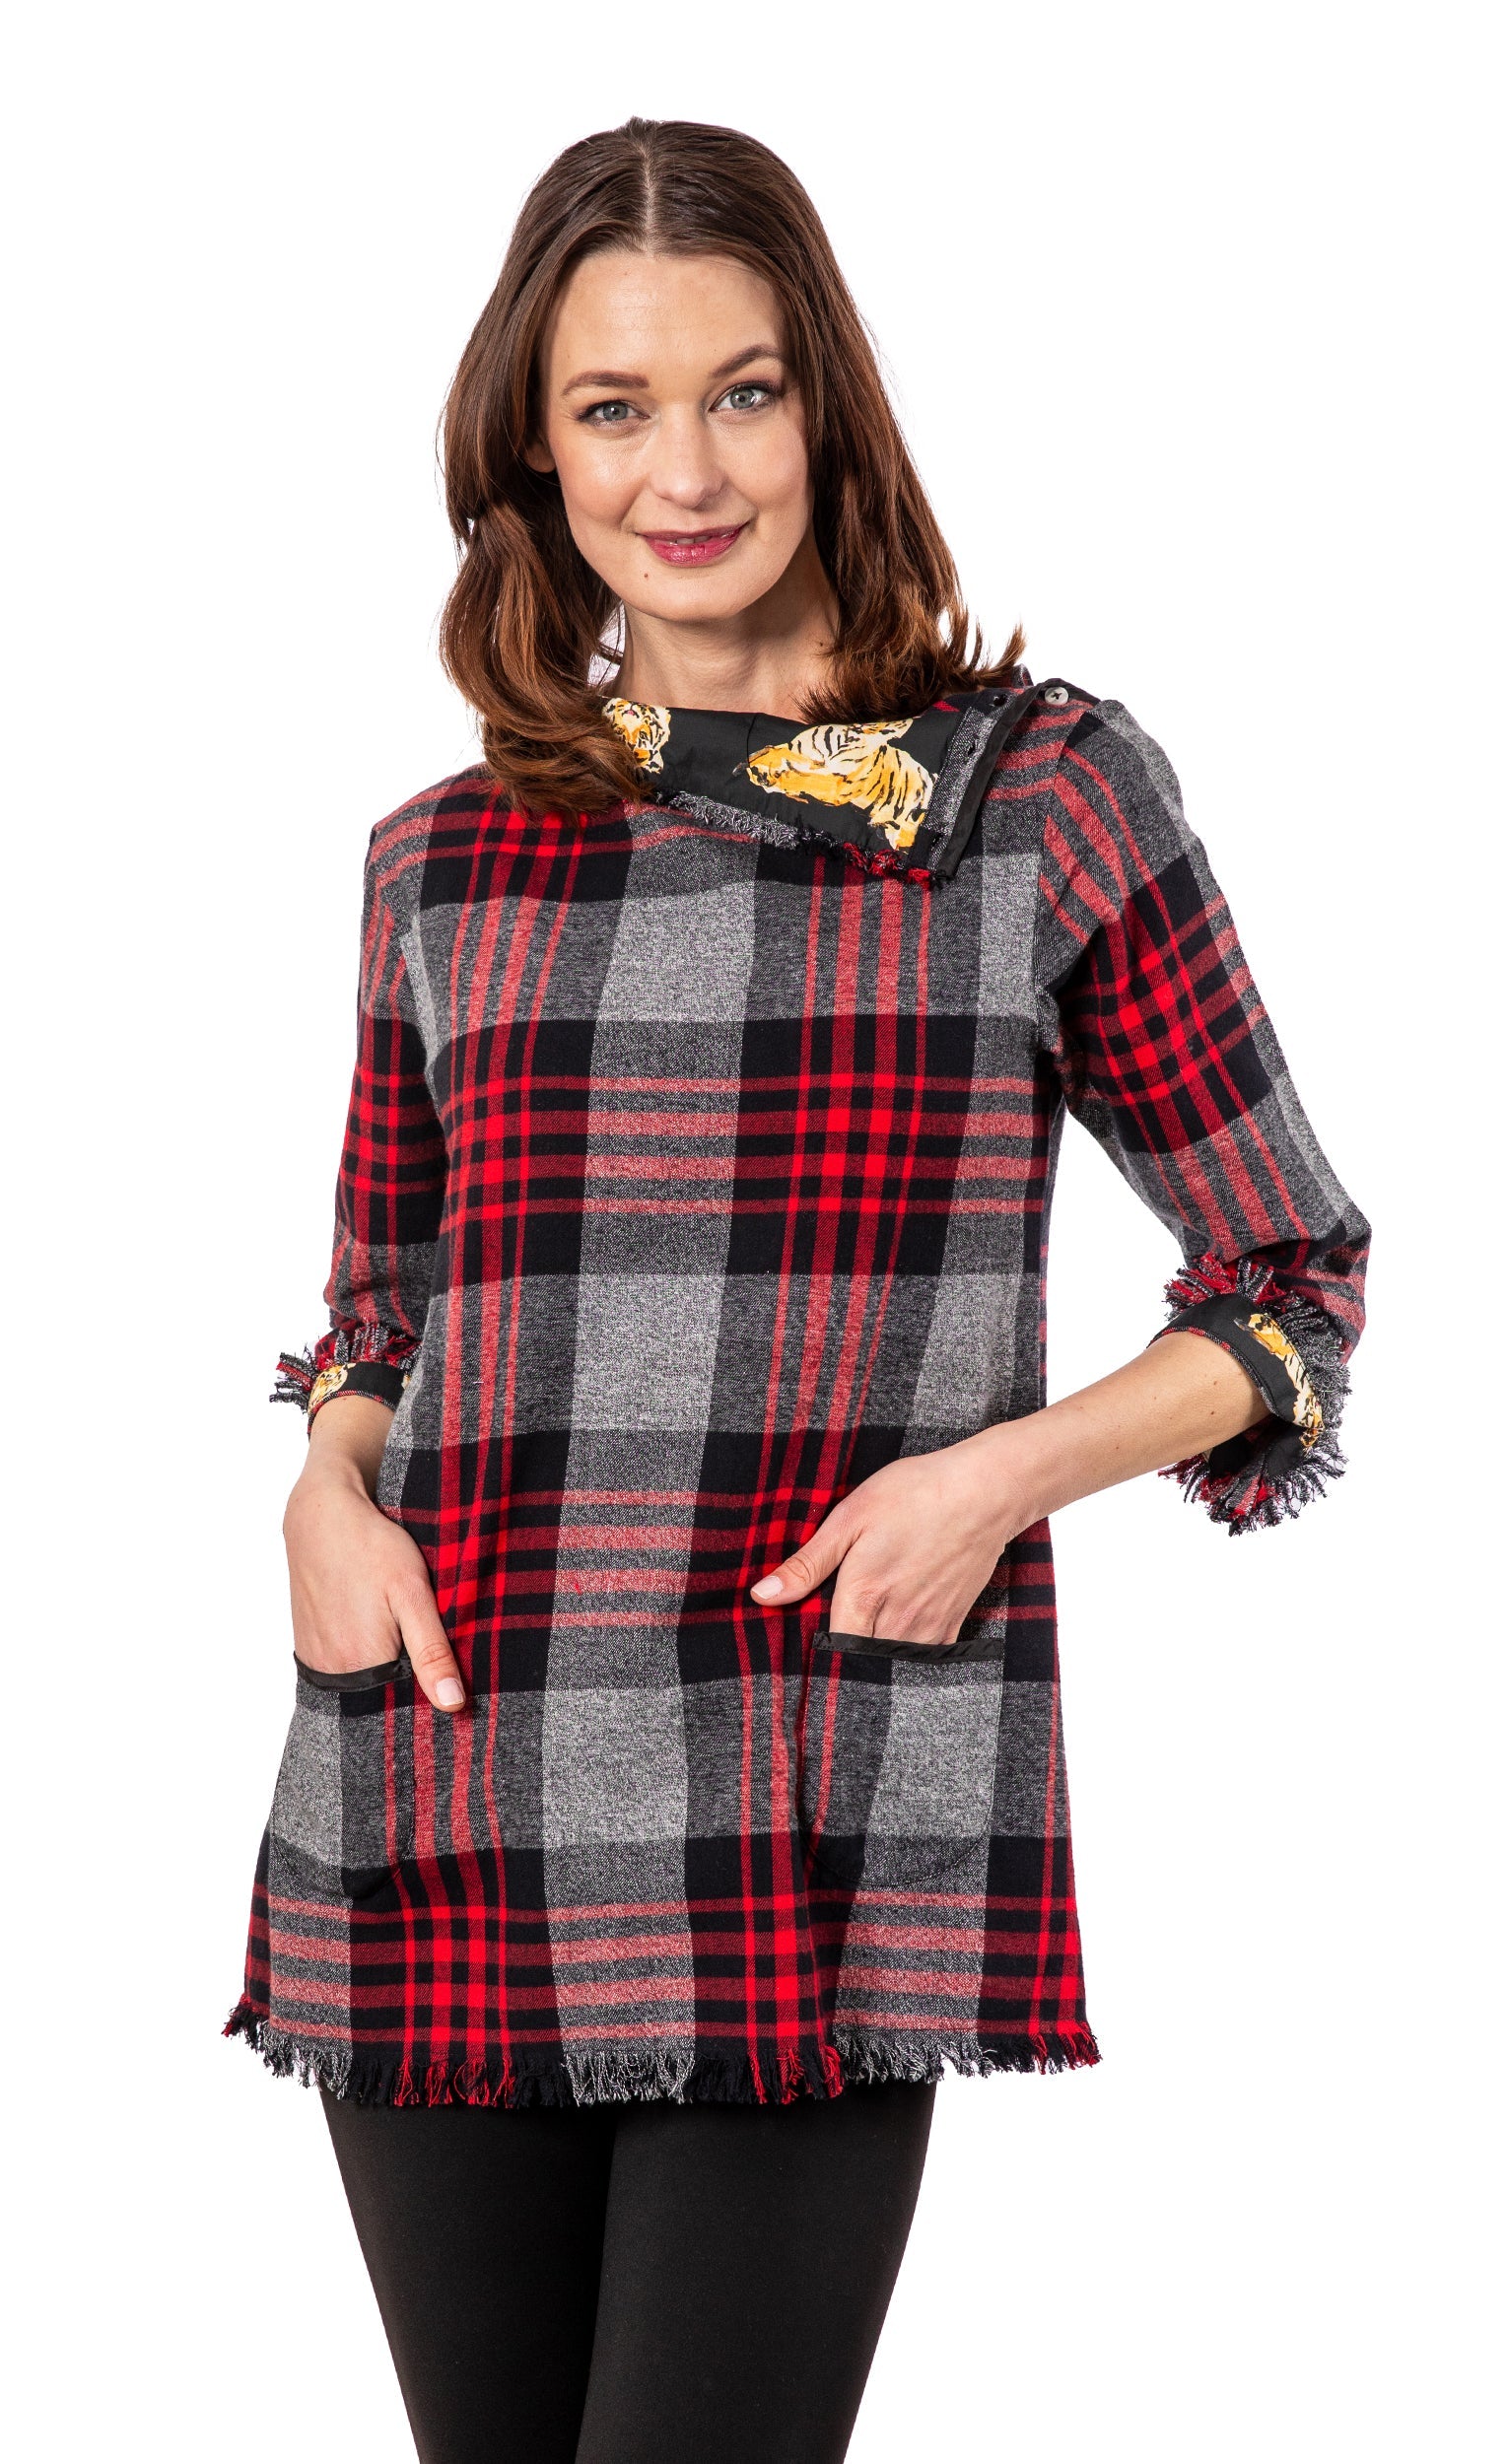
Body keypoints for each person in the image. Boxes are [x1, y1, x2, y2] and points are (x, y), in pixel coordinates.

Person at [228, 116, 1369, 2464]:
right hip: (444, 1768)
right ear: (530, 456)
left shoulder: (1033, 796)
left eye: (740, 392)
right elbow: (380, 1303)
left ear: (823, 405)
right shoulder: (442, 855)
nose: (686, 471)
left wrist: (994, 1477)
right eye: (614, 407)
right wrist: (326, 1487)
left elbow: (1286, 1280)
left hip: (813, 1782)